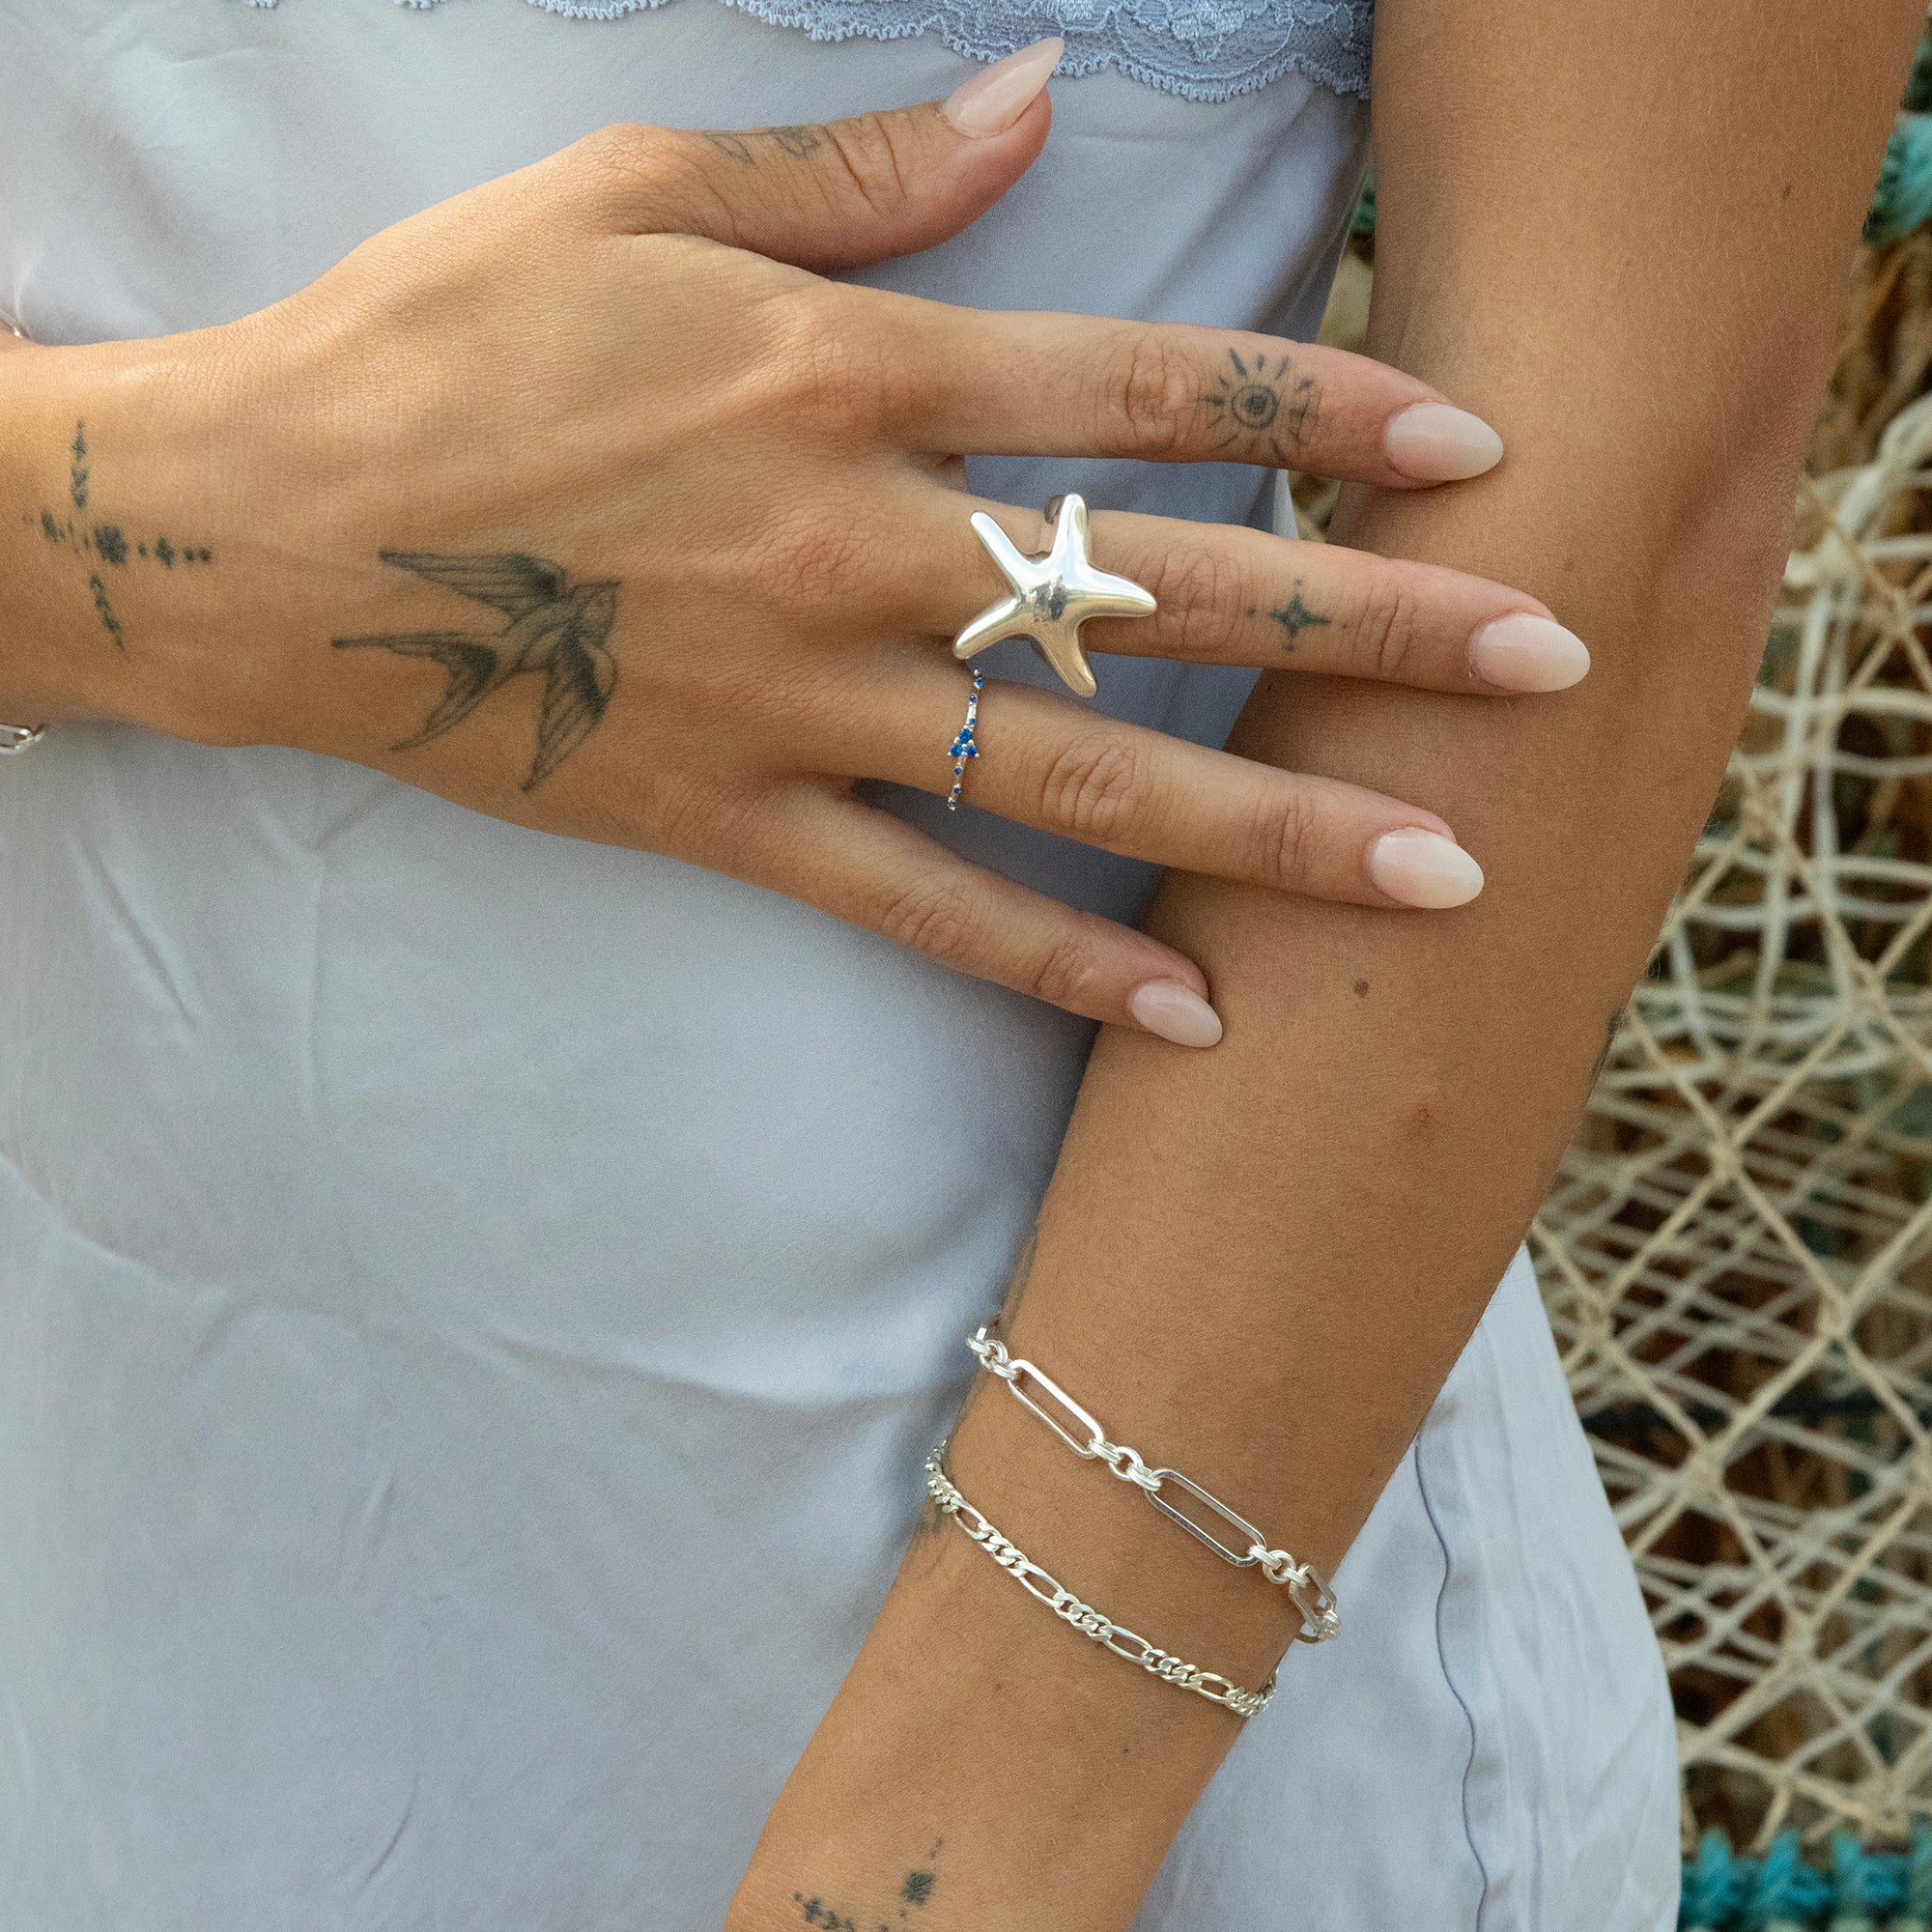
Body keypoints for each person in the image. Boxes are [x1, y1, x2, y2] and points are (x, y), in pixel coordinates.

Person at [0, 3, 1914, 1927]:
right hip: (120, 1548)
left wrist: (942, 1859)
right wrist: (227, 531)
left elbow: (1606, 516)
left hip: (1009, 1672)